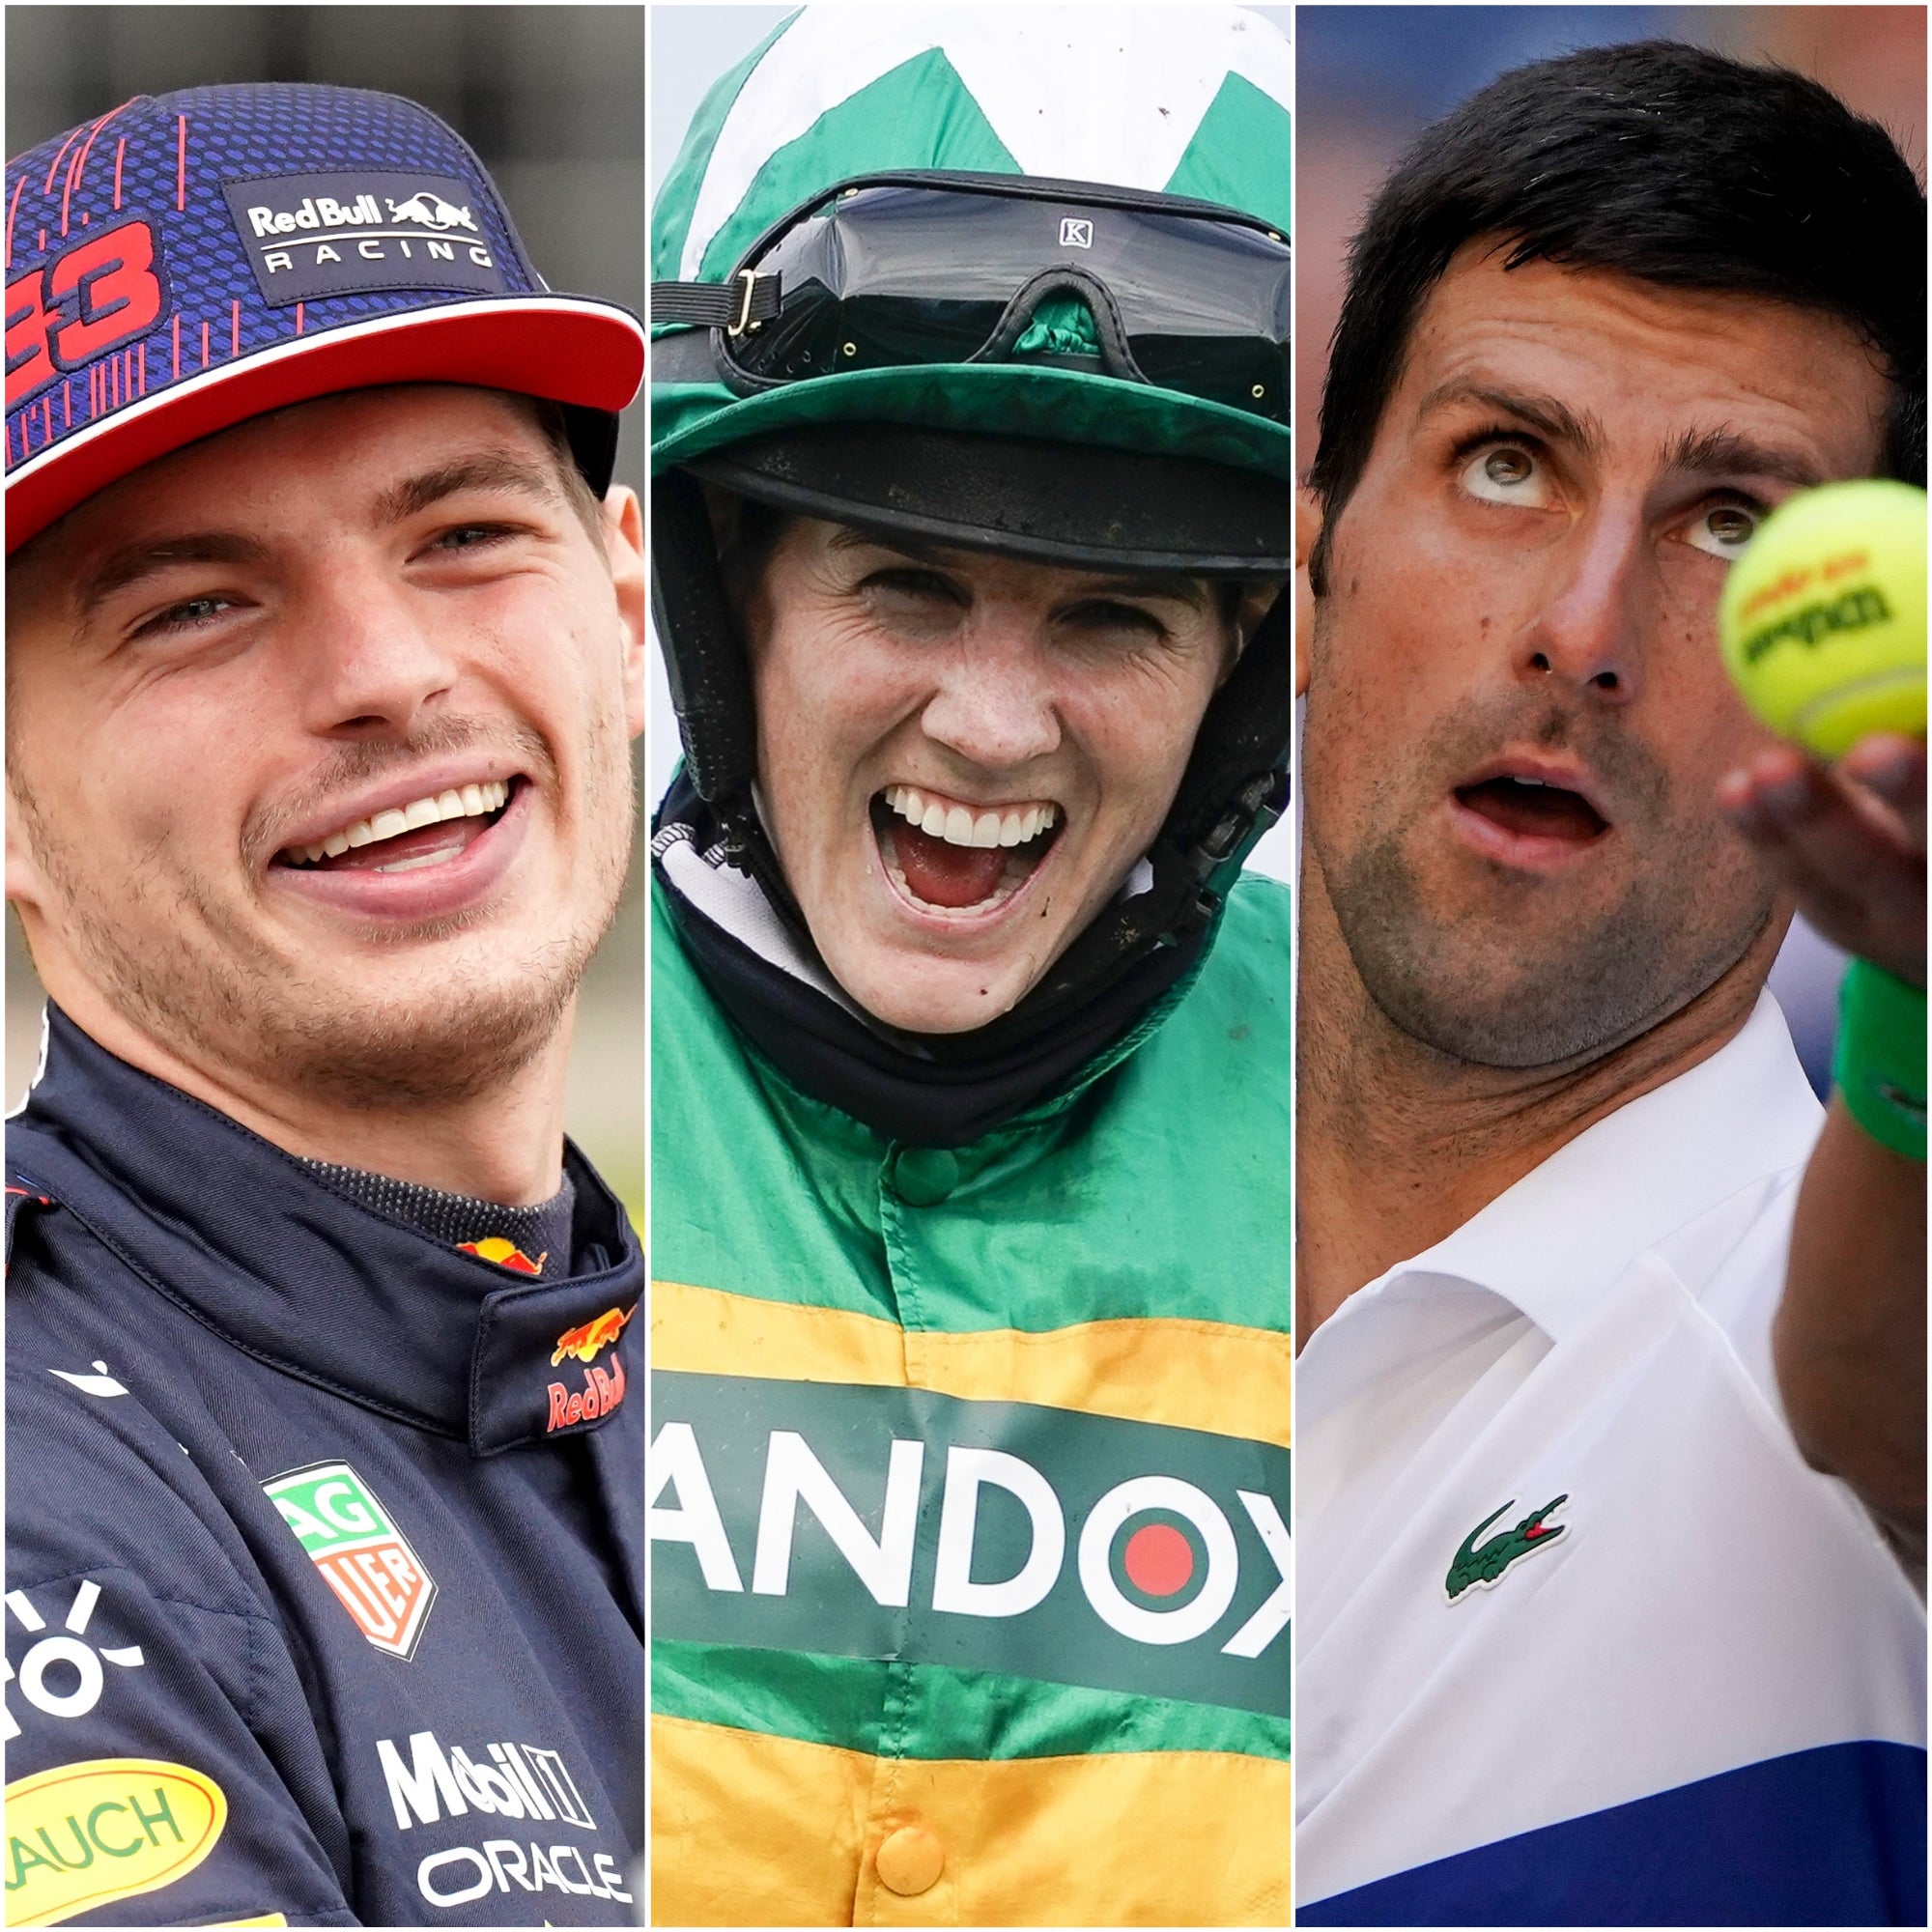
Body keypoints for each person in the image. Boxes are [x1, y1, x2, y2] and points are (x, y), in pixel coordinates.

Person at [644, 9, 1293, 1923]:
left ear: (1237, 671)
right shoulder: (469, 1076)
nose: (994, 727)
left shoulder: (1412, 1121)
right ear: (724, 595)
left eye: (1111, 612)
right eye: (903, 582)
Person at [1293, 41, 1926, 1926]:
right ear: (1305, 556)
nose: (1579, 630)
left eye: (1731, 521)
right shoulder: (963, 1273)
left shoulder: (1843, 1333)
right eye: (1504, 464)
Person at [4, 83, 646, 1927]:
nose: (385, 674)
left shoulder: (775, 1394)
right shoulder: (38, 1501)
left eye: (461, 537)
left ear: (619, 605)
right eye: (196, 607)